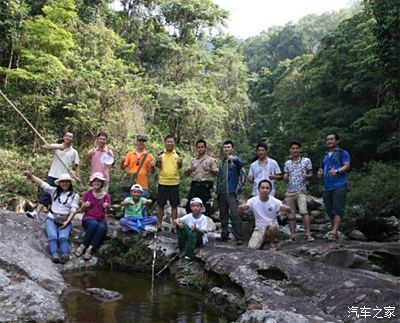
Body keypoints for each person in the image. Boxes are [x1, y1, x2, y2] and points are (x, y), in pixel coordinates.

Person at [23, 170, 79, 264]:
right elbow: (43, 184)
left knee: (63, 237)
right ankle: (54, 254)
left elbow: (73, 210)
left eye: (66, 181)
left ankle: (64, 254)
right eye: (62, 181)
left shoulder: (74, 195)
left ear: (70, 183)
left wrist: (67, 221)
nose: (64, 183)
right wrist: (31, 176)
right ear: (59, 183)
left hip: (65, 220)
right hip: (51, 219)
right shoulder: (54, 191)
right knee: (53, 236)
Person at [26, 131, 80, 219]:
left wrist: (78, 177)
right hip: (53, 174)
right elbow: (45, 146)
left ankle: (58, 215)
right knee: (47, 193)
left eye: (70, 137)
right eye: (67, 136)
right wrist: (59, 147)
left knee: (62, 196)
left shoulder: (74, 152)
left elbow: (77, 165)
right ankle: (36, 213)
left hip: (64, 177)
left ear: (72, 139)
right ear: (64, 137)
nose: (68, 138)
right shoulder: (57, 147)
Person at [239, 180, 291, 250]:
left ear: (270, 190)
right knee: (252, 247)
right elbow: (240, 211)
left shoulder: (276, 202)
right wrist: (241, 208)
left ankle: (272, 242)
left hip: (272, 226)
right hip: (259, 228)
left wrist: (287, 209)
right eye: (262, 188)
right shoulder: (252, 201)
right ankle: (264, 240)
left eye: (267, 188)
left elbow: (287, 212)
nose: (265, 190)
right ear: (258, 190)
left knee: (271, 227)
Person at [317, 133, 350, 241]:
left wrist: (337, 171)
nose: (329, 141)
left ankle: (335, 232)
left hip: (339, 184)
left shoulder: (342, 153)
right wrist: (320, 172)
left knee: (338, 209)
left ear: (337, 141)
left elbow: (346, 165)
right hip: (327, 186)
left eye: (331, 139)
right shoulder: (325, 155)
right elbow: (321, 168)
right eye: (327, 140)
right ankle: (333, 231)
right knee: (329, 210)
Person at [283, 141, 314, 242]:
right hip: (290, 191)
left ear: (300, 149)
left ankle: (308, 234)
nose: (295, 150)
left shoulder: (306, 161)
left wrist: (306, 176)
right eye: (293, 148)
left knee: (304, 212)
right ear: (290, 150)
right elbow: (286, 176)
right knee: (290, 214)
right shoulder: (288, 163)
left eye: (297, 148)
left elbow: (311, 174)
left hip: (301, 191)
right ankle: (292, 235)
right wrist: (285, 176)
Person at [75, 172, 111, 260]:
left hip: (101, 219)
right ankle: (83, 245)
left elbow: (108, 210)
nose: (97, 183)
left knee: (102, 228)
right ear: (92, 182)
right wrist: (84, 205)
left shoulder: (106, 196)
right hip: (89, 218)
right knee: (94, 224)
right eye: (95, 181)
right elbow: (82, 210)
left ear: (102, 183)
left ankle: (90, 248)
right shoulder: (87, 194)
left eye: (99, 181)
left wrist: (107, 207)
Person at [216, 140, 244, 245]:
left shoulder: (235, 160)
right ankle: (224, 234)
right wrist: (217, 191)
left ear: (232, 148)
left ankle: (239, 237)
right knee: (223, 214)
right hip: (222, 192)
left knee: (234, 214)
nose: (226, 149)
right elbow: (219, 178)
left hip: (232, 192)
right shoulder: (222, 162)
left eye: (228, 147)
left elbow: (241, 164)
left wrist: (235, 159)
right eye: (225, 147)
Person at [154, 135, 183, 231]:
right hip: (163, 182)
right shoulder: (160, 154)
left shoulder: (178, 155)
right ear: (165, 143)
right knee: (160, 205)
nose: (170, 143)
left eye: (171, 142)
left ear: (174, 143)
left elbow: (179, 167)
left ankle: (174, 226)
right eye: (168, 142)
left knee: (174, 205)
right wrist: (158, 161)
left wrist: (180, 162)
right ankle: (159, 225)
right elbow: (158, 166)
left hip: (174, 183)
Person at [184, 139, 218, 216]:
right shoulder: (193, 160)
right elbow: (186, 173)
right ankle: (191, 223)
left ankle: (205, 223)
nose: (200, 149)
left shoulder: (210, 160)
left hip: (205, 185)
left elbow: (216, 173)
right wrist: (190, 169)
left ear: (205, 148)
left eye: (202, 147)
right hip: (195, 184)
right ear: (196, 148)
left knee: (205, 205)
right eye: (198, 147)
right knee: (190, 205)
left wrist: (209, 169)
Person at [173, 197, 208, 268]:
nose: (195, 208)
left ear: (201, 207)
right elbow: (176, 220)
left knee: (193, 232)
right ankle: (182, 246)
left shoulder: (203, 218)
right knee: (180, 225)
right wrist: (178, 223)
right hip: (189, 236)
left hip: (199, 238)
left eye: (197, 206)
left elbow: (203, 233)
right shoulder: (189, 216)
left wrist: (196, 229)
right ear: (191, 207)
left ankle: (188, 256)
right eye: (193, 206)